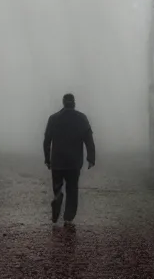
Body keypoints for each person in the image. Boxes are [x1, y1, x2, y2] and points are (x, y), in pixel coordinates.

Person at [43, 93, 96, 228]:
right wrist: (91, 158)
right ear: (74, 103)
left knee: (57, 185)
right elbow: (89, 140)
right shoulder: (81, 118)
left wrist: (47, 159)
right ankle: (68, 218)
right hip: (74, 162)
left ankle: (58, 195)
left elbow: (47, 140)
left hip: (57, 160)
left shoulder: (53, 118)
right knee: (72, 189)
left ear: (63, 103)